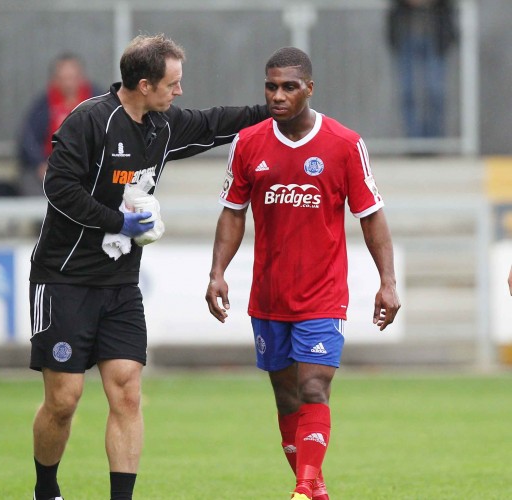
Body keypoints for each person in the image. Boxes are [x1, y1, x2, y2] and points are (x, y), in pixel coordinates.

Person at [29, 34, 271, 500]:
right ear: (144, 84)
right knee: (64, 400)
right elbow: (59, 189)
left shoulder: (161, 126)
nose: (179, 92)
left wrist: (273, 111)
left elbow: (212, 124)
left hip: (120, 284)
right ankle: (46, 490)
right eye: (173, 83)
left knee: (126, 393)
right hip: (64, 279)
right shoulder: (89, 122)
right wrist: (118, 220)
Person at [205, 47, 401, 500]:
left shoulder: (344, 144)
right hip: (269, 296)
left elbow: (371, 216)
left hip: (322, 294)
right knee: (286, 398)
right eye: (271, 86)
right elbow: (233, 214)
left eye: (289, 86)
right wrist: (217, 272)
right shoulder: (249, 143)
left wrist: (387, 282)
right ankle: (314, 487)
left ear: (309, 88)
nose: (278, 95)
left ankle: (303, 487)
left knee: (313, 385)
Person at [17, 53, 102, 197]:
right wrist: (40, 165)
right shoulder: (43, 105)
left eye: (72, 78)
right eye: (63, 79)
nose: (68, 83)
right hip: (52, 169)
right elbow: (27, 139)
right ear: (55, 80)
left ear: (81, 77)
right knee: (31, 184)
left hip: (90, 168)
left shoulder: (98, 101)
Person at [386, 0, 458, 138]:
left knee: (435, 92)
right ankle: (414, 141)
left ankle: (433, 141)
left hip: (436, 34)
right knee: (407, 93)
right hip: (404, 31)